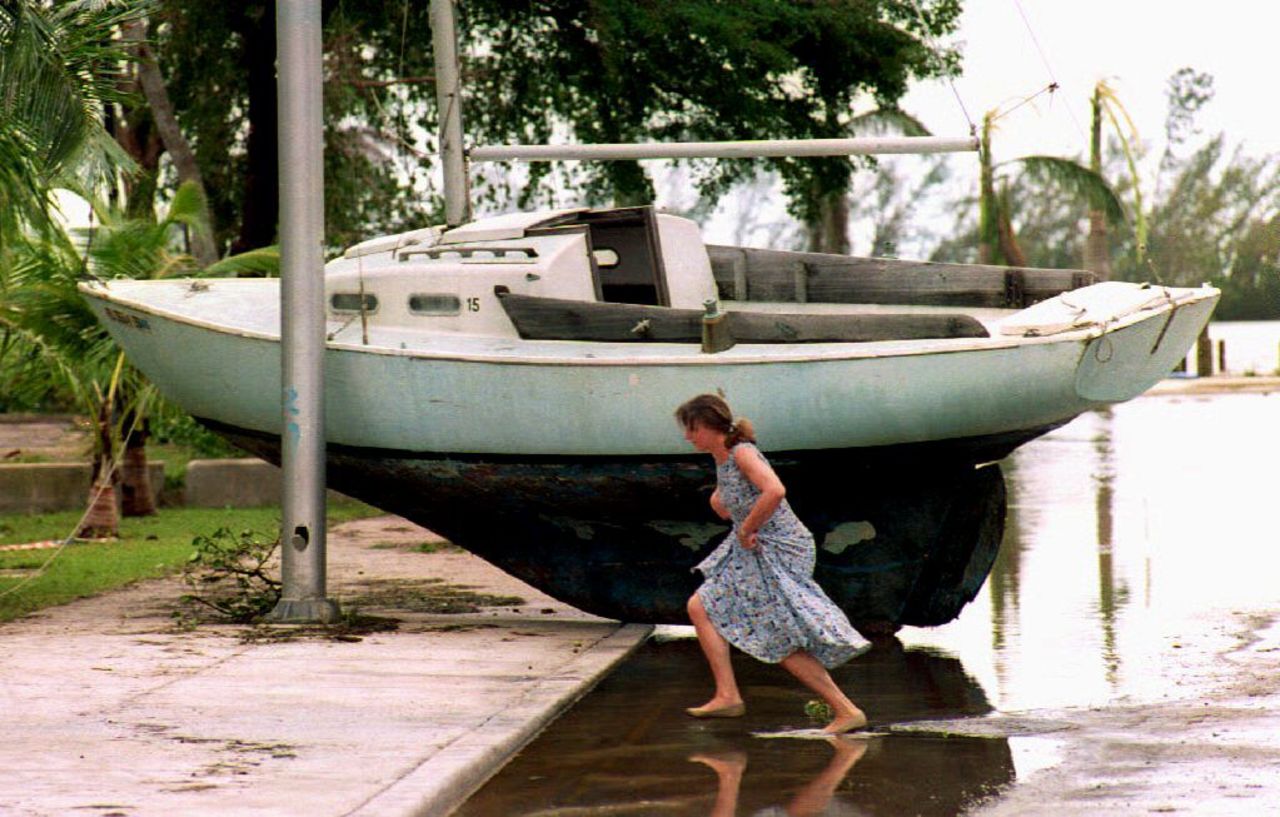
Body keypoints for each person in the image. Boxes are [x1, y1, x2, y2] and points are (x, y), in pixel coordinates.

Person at [675, 393, 870, 734]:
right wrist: (722, 502)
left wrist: (747, 526)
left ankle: (845, 710)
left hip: (778, 546)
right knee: (702, 607)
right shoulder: (724, 459)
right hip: (754, 546)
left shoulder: (742, 452)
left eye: (692, 429)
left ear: (710, 425)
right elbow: (736, 499)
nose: (688, 437)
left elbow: (775, 490)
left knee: (772, 632)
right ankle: (728, 694)